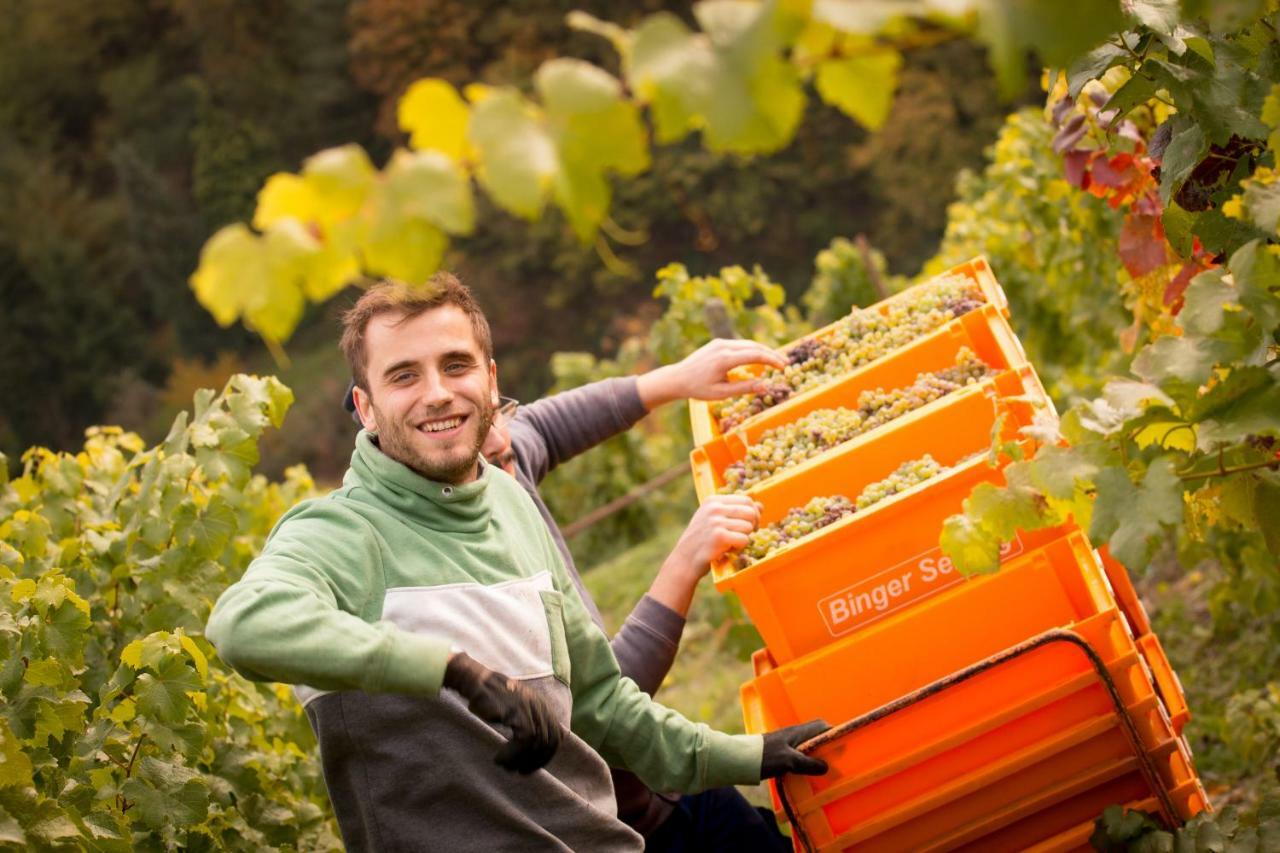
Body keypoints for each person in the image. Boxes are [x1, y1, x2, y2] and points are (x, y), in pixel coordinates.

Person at [207, 274, 827, 852]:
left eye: (456, 366)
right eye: (403, 376)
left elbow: (602, 702)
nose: (438, 393)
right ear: (365, 408)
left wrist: (746, 755)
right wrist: (450, 668)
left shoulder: (509, 498)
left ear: (491, 380)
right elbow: (243, 624)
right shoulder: (340, 534)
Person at [470, 352, 802, 850]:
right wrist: (686, 559)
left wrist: (674, 379)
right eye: (478, 434)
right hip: (626, 834)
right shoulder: (471, 581)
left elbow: (547, 425)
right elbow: (598, 705)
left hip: (663, 783)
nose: (501, 440)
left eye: (495, 413)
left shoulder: (499, 465)